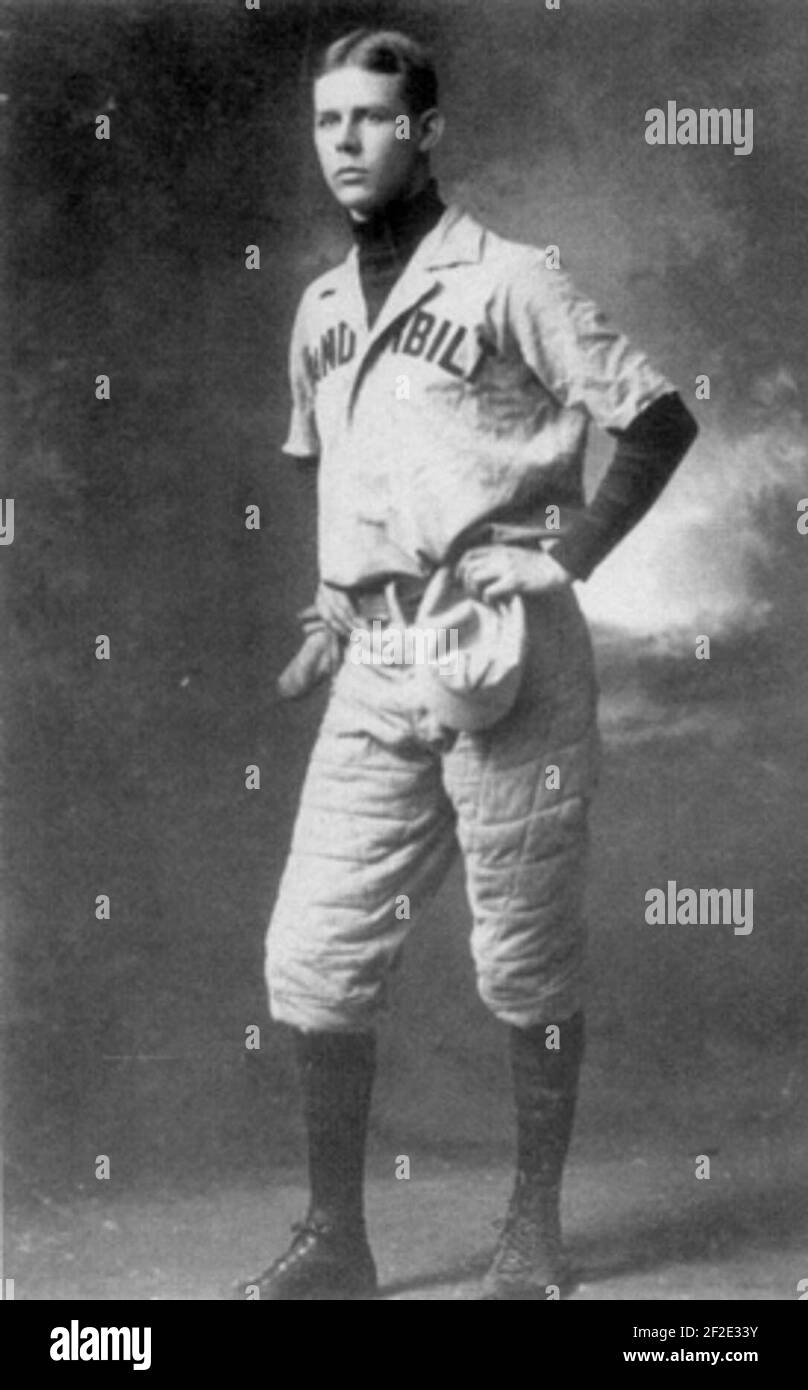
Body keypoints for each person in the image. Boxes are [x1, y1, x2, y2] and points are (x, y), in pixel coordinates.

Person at [246, 27, 698, 1300]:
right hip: (376, 660)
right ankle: (339, 1239)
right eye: (328, 120)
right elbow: (350, 476)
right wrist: (327, 608)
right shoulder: (322, 308)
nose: (346, 142)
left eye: (373, 119)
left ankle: (532, 1232)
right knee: (315, 952)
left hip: (508, 659)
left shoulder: (509, 278)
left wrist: (572, 554)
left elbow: (659, 418)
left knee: (525, 952)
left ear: (425, 132)